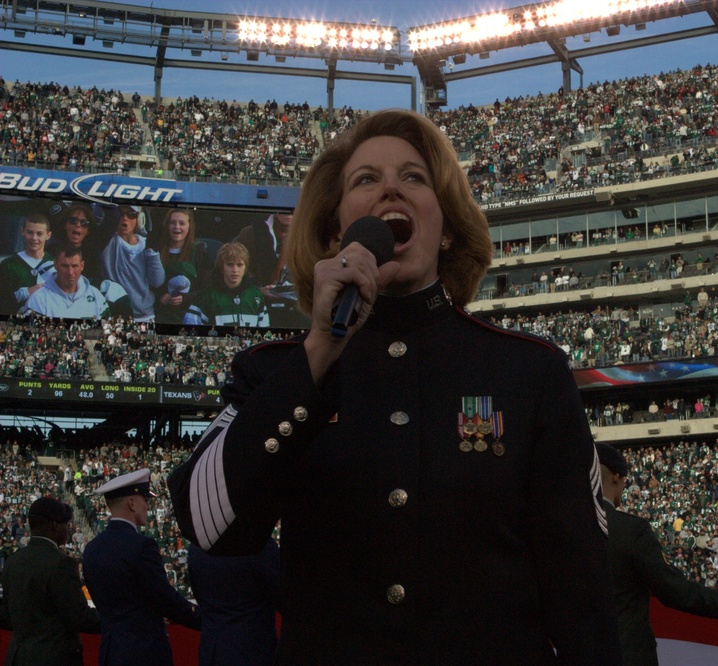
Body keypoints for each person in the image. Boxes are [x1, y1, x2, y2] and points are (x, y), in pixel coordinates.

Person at [168, 109, 620, 664]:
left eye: (413, 177)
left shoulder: (529, 371)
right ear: (336, 230)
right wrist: (320, 351)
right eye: (365, 180)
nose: (389, 188)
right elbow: (208, 523)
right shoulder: (274, 372)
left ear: (447, 226)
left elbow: (583, 596)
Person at [596, 442, 718, 665]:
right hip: (626, 653)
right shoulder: (630, 530)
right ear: (616, 477)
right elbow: (674, 590)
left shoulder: (555, 530)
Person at [82, 468, 201, 666]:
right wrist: (205, 619)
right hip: (143, 652)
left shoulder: (92, 549)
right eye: (145, 499)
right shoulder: (142, 546)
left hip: (111, 652)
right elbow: (164, 599)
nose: (147, 506)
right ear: (131, 502)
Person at [0, 496, 101, 666]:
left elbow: (7, 614)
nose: (67, 529)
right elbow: (78, 617)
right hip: (54, 658)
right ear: (55, 525)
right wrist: (116, 619)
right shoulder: (61, 563)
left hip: (18, 657)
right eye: (65, 524)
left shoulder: (13, 560)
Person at [187, 537, 281, 666]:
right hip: (253, 652)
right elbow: (284, 598)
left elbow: (199, 596)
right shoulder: (259, 544)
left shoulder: (197, 547)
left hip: (211, 652)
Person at [234, 210, 306, 327]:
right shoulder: (251, 233)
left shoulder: (310, 235)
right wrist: (257, 290)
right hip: (261, 305)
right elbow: (235, 272)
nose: (288, 214)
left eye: (292, 210)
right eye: (283, 210)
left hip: (299, 310)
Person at [147, 208, 213, 324]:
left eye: (182, 223)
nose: (177, 227)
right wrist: (160, 297)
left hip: (191, 318)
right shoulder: (155, 251)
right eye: (172, 222)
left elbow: (208, 289)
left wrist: (186, 298)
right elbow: (146, 284)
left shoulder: (200, 254)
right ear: (167, 225)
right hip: (160, 318)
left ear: (189, 226)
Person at [100, 204, 165, 322]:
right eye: (120, 214)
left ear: (139, 219)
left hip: (145, 317)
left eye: (131, 214)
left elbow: (157, 281)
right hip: (115, 316)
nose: (125, 218)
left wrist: (153, 254)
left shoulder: (147, 244)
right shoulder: (107, 242)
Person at [181, 242, 270, 328]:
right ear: (221, 267)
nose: (235, 270)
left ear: (245, 268)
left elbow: (265, 333)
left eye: (239, 265)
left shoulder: (256, 295)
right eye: (230, 264)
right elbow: (191, 331)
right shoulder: (206, 297)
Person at [23, 245, 110, 319]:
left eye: (75, 266)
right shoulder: (38, 299)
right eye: (64, 266)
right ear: (55, 265)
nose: (70, 272)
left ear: (82, 266)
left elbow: (106, 332)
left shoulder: (96, 296)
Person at [0, 212, 54, 315]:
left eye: (39, 234)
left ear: (48, 235)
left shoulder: (57, 264)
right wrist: (28, 291)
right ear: (22, 232)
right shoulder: (8, 265)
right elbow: (3, 302)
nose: (34, 238)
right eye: (30, 232)